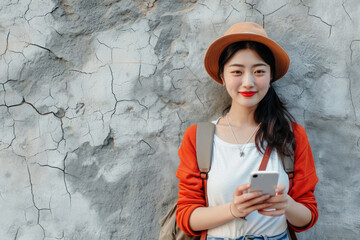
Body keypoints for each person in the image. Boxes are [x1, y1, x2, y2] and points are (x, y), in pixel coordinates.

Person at [175, 22, 318, 240]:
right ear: (222, 77)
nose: (248, 82)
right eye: (237, 72)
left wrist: (287, 205)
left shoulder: (292, 135)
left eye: (259, 71)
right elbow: (186, 216)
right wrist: (233, 210)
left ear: (271, 76)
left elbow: (307, 216)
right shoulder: (198, 137)